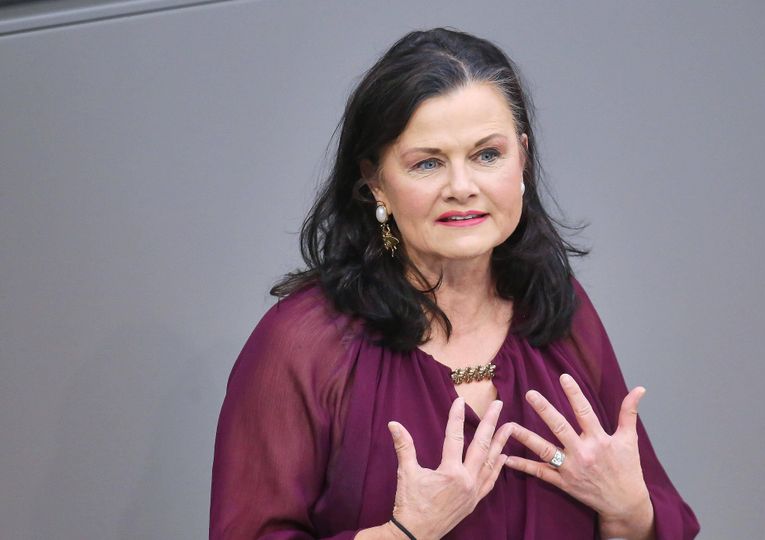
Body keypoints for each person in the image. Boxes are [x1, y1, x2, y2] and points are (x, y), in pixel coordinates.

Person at [210, 27, 699, 540]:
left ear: (523, 158)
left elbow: (651, 515)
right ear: (375, 181)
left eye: (487, 155)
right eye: (428, 163)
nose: (462, 187)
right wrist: (404, 533)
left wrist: (629, 514)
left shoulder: (557, 305)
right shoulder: (302, 345)